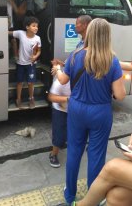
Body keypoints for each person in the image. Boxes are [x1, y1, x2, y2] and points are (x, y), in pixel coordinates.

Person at [52, 18, 126, 205]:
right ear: (107, 36)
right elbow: (120, 95)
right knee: (96, 153)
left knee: (74, 151)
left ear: (90, 33)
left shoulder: (76, 55)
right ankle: (94, 195)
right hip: (100, 112)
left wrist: (58, 69)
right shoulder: (112, 60)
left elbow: (62, 81)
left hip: (76, 109)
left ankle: (70, 195)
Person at [9, 16, 41, 109]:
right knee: (20, 82)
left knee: (31, 83)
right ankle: (18, 99)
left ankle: (31, 98)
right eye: (33, 26)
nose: (36, 28)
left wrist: (35, 56)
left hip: (31, 64)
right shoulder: (20, 33)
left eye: (37, 26)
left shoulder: (37, 38)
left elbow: (39, 51)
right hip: (20, 64)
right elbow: (8, 33)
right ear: (27, 27)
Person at [48, 72, 70, 168]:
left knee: (74, 133)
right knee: (59, 135)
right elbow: (51, 97)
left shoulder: (84, 79)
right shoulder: (60, 82)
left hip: (74, 110)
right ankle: (53, 154)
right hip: (60, 109)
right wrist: (67, 99)